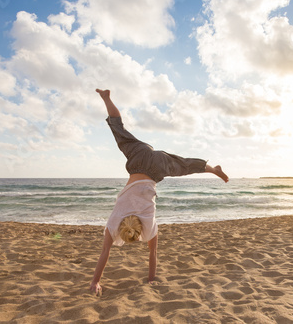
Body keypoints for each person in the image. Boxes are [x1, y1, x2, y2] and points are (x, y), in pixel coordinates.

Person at [89, 89, 228, 296]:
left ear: (137, 235)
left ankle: (212, 169)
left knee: (183, 166)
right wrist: (94, 282)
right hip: (140, 155)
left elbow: (153, 253)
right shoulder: (115, 221)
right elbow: (104, 252)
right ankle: (106, 98)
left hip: (157, 166)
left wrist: (152, 279)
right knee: (119, 131)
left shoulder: (148, 222)